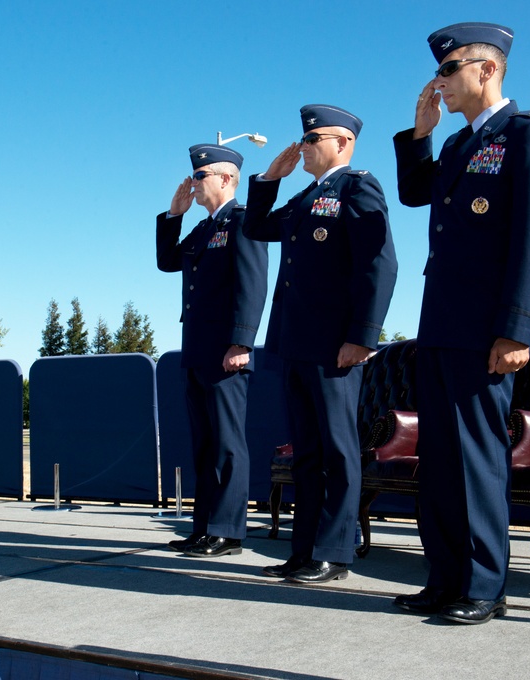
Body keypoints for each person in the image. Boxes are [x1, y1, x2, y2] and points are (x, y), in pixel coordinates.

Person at [392, 22, 530, 623]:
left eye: (448, 70)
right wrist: (419, 135)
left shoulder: (529, 135)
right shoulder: (456, 146)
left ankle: (485, 585)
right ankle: (444, 577)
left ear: (487, 69)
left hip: (488, 332)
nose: (438, 81)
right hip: (441, 327)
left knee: (475, 458)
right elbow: (417, 194)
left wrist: (518, 328)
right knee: (438, 458)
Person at [243, 105, 397, 583]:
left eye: (314, 140)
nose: (304, 146)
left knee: (336, 450)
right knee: (307, 452)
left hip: (335, 345)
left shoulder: (357, 185)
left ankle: (334, 552)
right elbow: (255, 227)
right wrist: (270, 177)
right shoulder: (305, 196)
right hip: (295, 342)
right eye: (304, 139)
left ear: (342, 143)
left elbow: (380, 263)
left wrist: (362, 337)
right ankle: (305, 549)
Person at [156, 144, 269, 557]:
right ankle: (204, 527)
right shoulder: (204, 229)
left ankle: (228, 531)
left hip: (226, 351)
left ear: (225, 178)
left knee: (226, 442)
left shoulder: (243, 222)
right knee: (203, 443)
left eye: (200, 177)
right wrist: (174, 214)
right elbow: (168, 261)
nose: (194, 182)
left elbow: (252, 282)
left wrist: (241, 341)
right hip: (197, 352)